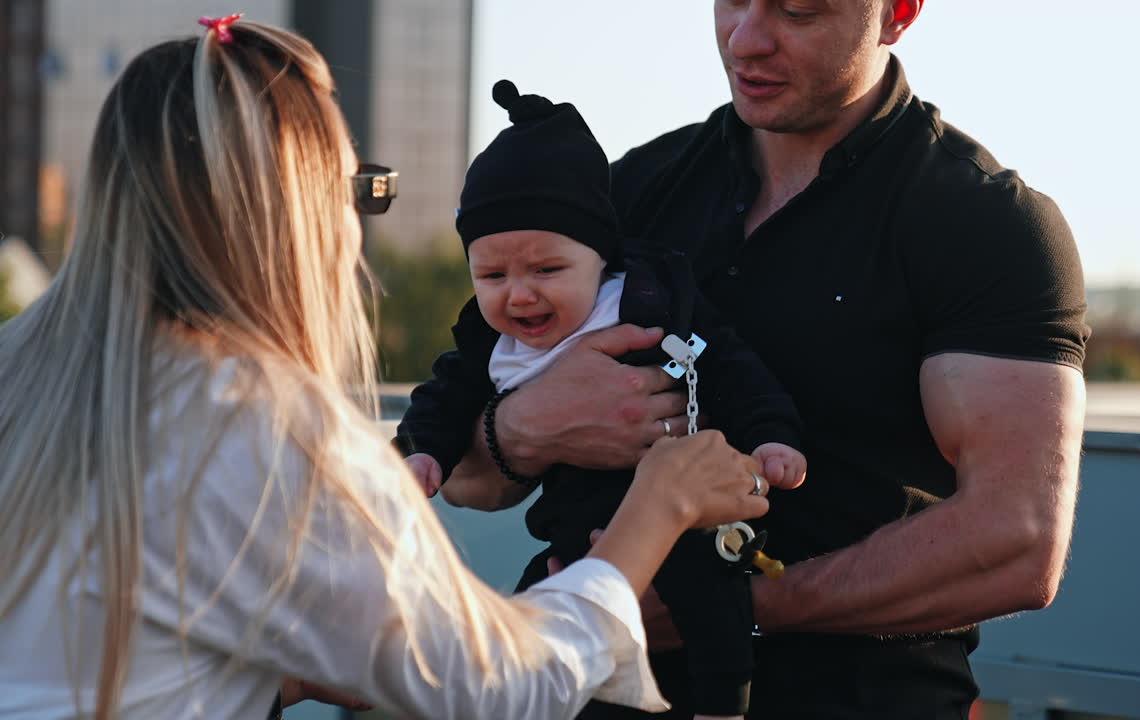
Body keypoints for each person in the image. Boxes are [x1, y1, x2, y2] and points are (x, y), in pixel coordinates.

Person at [0, 17, 774, 720]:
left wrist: (277, 679)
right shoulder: (270, 430)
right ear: (299, 214)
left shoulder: (19, 371)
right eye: (362, 191)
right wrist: (657, 508)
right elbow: (506, 689)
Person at [440, 1, 1091, 718]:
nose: (746, 40)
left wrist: (724, 606)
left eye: (798, 10)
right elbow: (465, 478)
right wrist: (526, 428)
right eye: (731, 2)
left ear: (897, 13)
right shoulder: (619, 198)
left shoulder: (983, 222)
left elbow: (1017, 544)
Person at [394, 79, 807, 720]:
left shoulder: (652, 304)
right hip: (572, 545)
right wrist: (422, 453)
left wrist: (774, 437)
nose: (520, 296)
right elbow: (443, 398)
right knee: (524, 638)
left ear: (600, 260)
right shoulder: (488, 339)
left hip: (683, 525)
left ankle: (726, 706)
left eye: (547, 271)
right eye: (492, 276)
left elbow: (732, 367)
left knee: (713, 600)